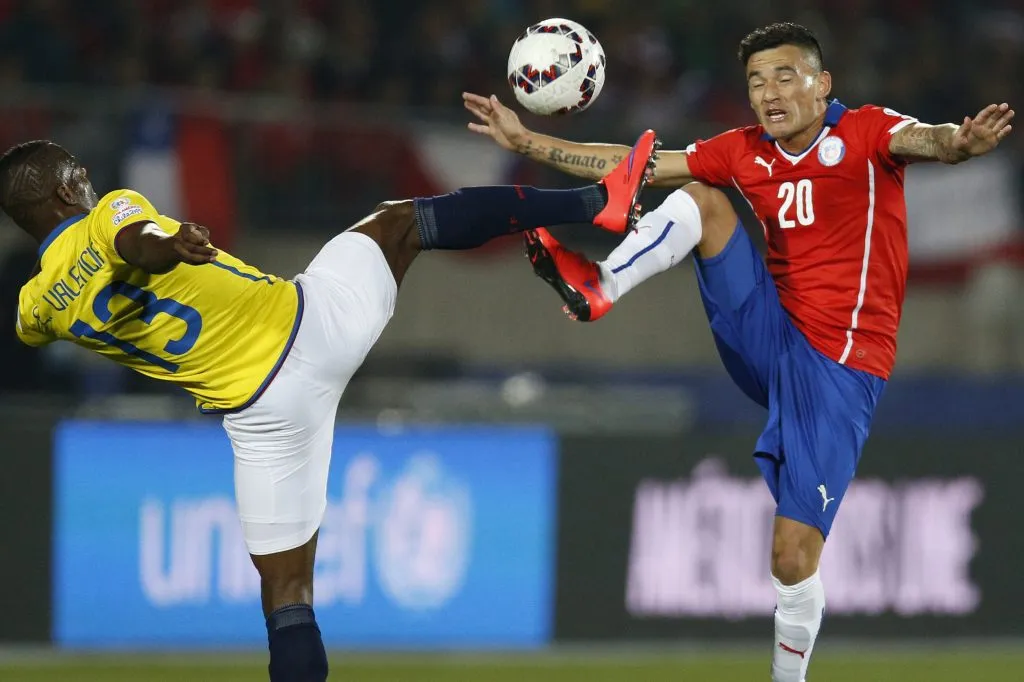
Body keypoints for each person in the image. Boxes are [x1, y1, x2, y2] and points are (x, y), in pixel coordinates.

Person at [464, 21, 1013, 682]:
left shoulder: (865, 132)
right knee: (701, 199)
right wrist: (527, 141)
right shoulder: (743, 150)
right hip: (769, 334)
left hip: (840, 368)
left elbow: (927, 139)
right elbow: (637, 166)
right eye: (757, 81)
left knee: (790, 555)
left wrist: (961, 142)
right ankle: (600, 284)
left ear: (822, 84)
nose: (770, 92)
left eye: (785, 76)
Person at [0, 134, 657, 682]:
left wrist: (126, 262)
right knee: (398, 221)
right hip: (307, 327)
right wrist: (167, 246)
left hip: (262, 418)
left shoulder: (36, 307)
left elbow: (46, 312)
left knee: (287, 597)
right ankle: (600, 201)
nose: (87, 178)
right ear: (62, 192)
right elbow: (131, 239)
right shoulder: (109, 212)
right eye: (75, 172)